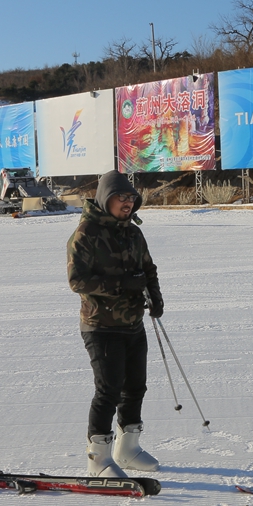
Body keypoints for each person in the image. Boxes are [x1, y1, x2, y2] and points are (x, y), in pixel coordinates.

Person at [67, 171, 164, 477]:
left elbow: (148, 269)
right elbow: (77, 280)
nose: (128, 203)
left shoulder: (133, 233)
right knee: (108, 390)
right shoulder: (86, 233)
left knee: (135, 387)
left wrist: (155, 297)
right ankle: (98, 460)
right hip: (101, 326)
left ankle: (128, 449)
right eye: (121, 198)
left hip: (133, 323)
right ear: (105, 199)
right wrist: (122, 284)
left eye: (131, 198)